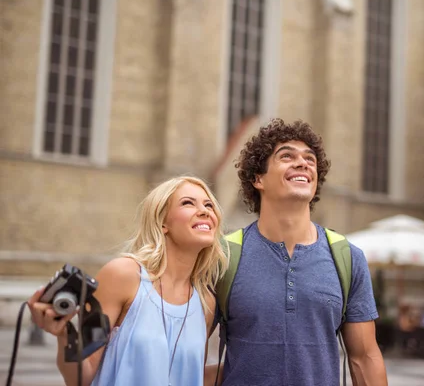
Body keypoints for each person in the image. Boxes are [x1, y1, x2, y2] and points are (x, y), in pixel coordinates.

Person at [213, 118, 387, 385]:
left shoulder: (348, 258)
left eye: (310, 159)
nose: (303, 163)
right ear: (258, 178)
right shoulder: (222, 256)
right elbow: (189, 348)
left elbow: (364, 357)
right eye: (286, 156)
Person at [27, 176, 228, 386]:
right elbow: (81, 377)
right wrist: (64, 336)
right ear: (162, 222)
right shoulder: (123, 275)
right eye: (188, 203)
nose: (205, 211)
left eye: (209, 205)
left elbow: (190, 376)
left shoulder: (205, 302)